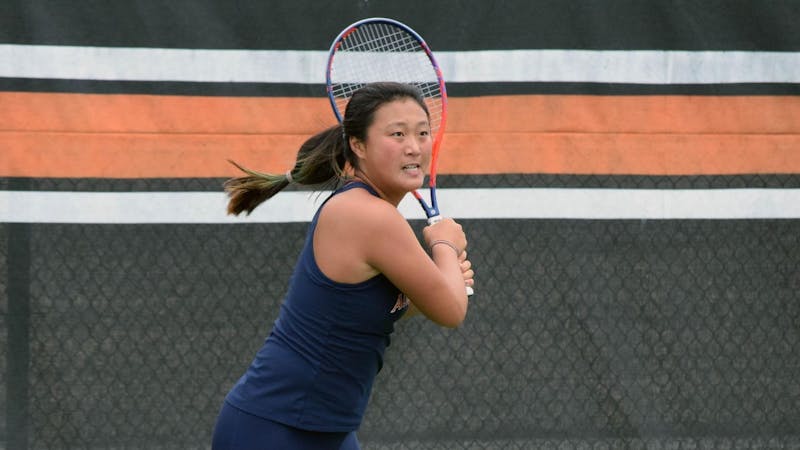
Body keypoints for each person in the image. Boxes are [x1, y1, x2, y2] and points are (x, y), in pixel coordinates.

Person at [212, 82, 474, 449]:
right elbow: (451, 312)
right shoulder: (366, 215)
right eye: (397, 134)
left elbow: (365, 312)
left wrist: (434, 287)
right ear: (358, 145)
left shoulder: (371, 213)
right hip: (274, 429)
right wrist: (445, 244)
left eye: (423, 132)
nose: (414, 146)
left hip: (329, 431)